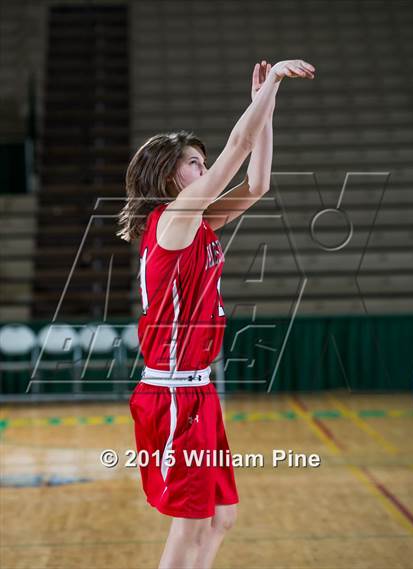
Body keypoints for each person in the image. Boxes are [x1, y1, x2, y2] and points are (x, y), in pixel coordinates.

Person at [118, 59, 315, 569]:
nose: (205, 172)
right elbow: (237, 151)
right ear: (168, 175)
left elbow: (256, 184)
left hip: (198, 387)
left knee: (221, 516)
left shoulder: (198, 220)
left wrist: (265, 111)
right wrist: (267, 90)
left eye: (204, 165)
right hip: (173, 393)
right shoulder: (173, 218)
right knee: (190, 523)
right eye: (195, 165)